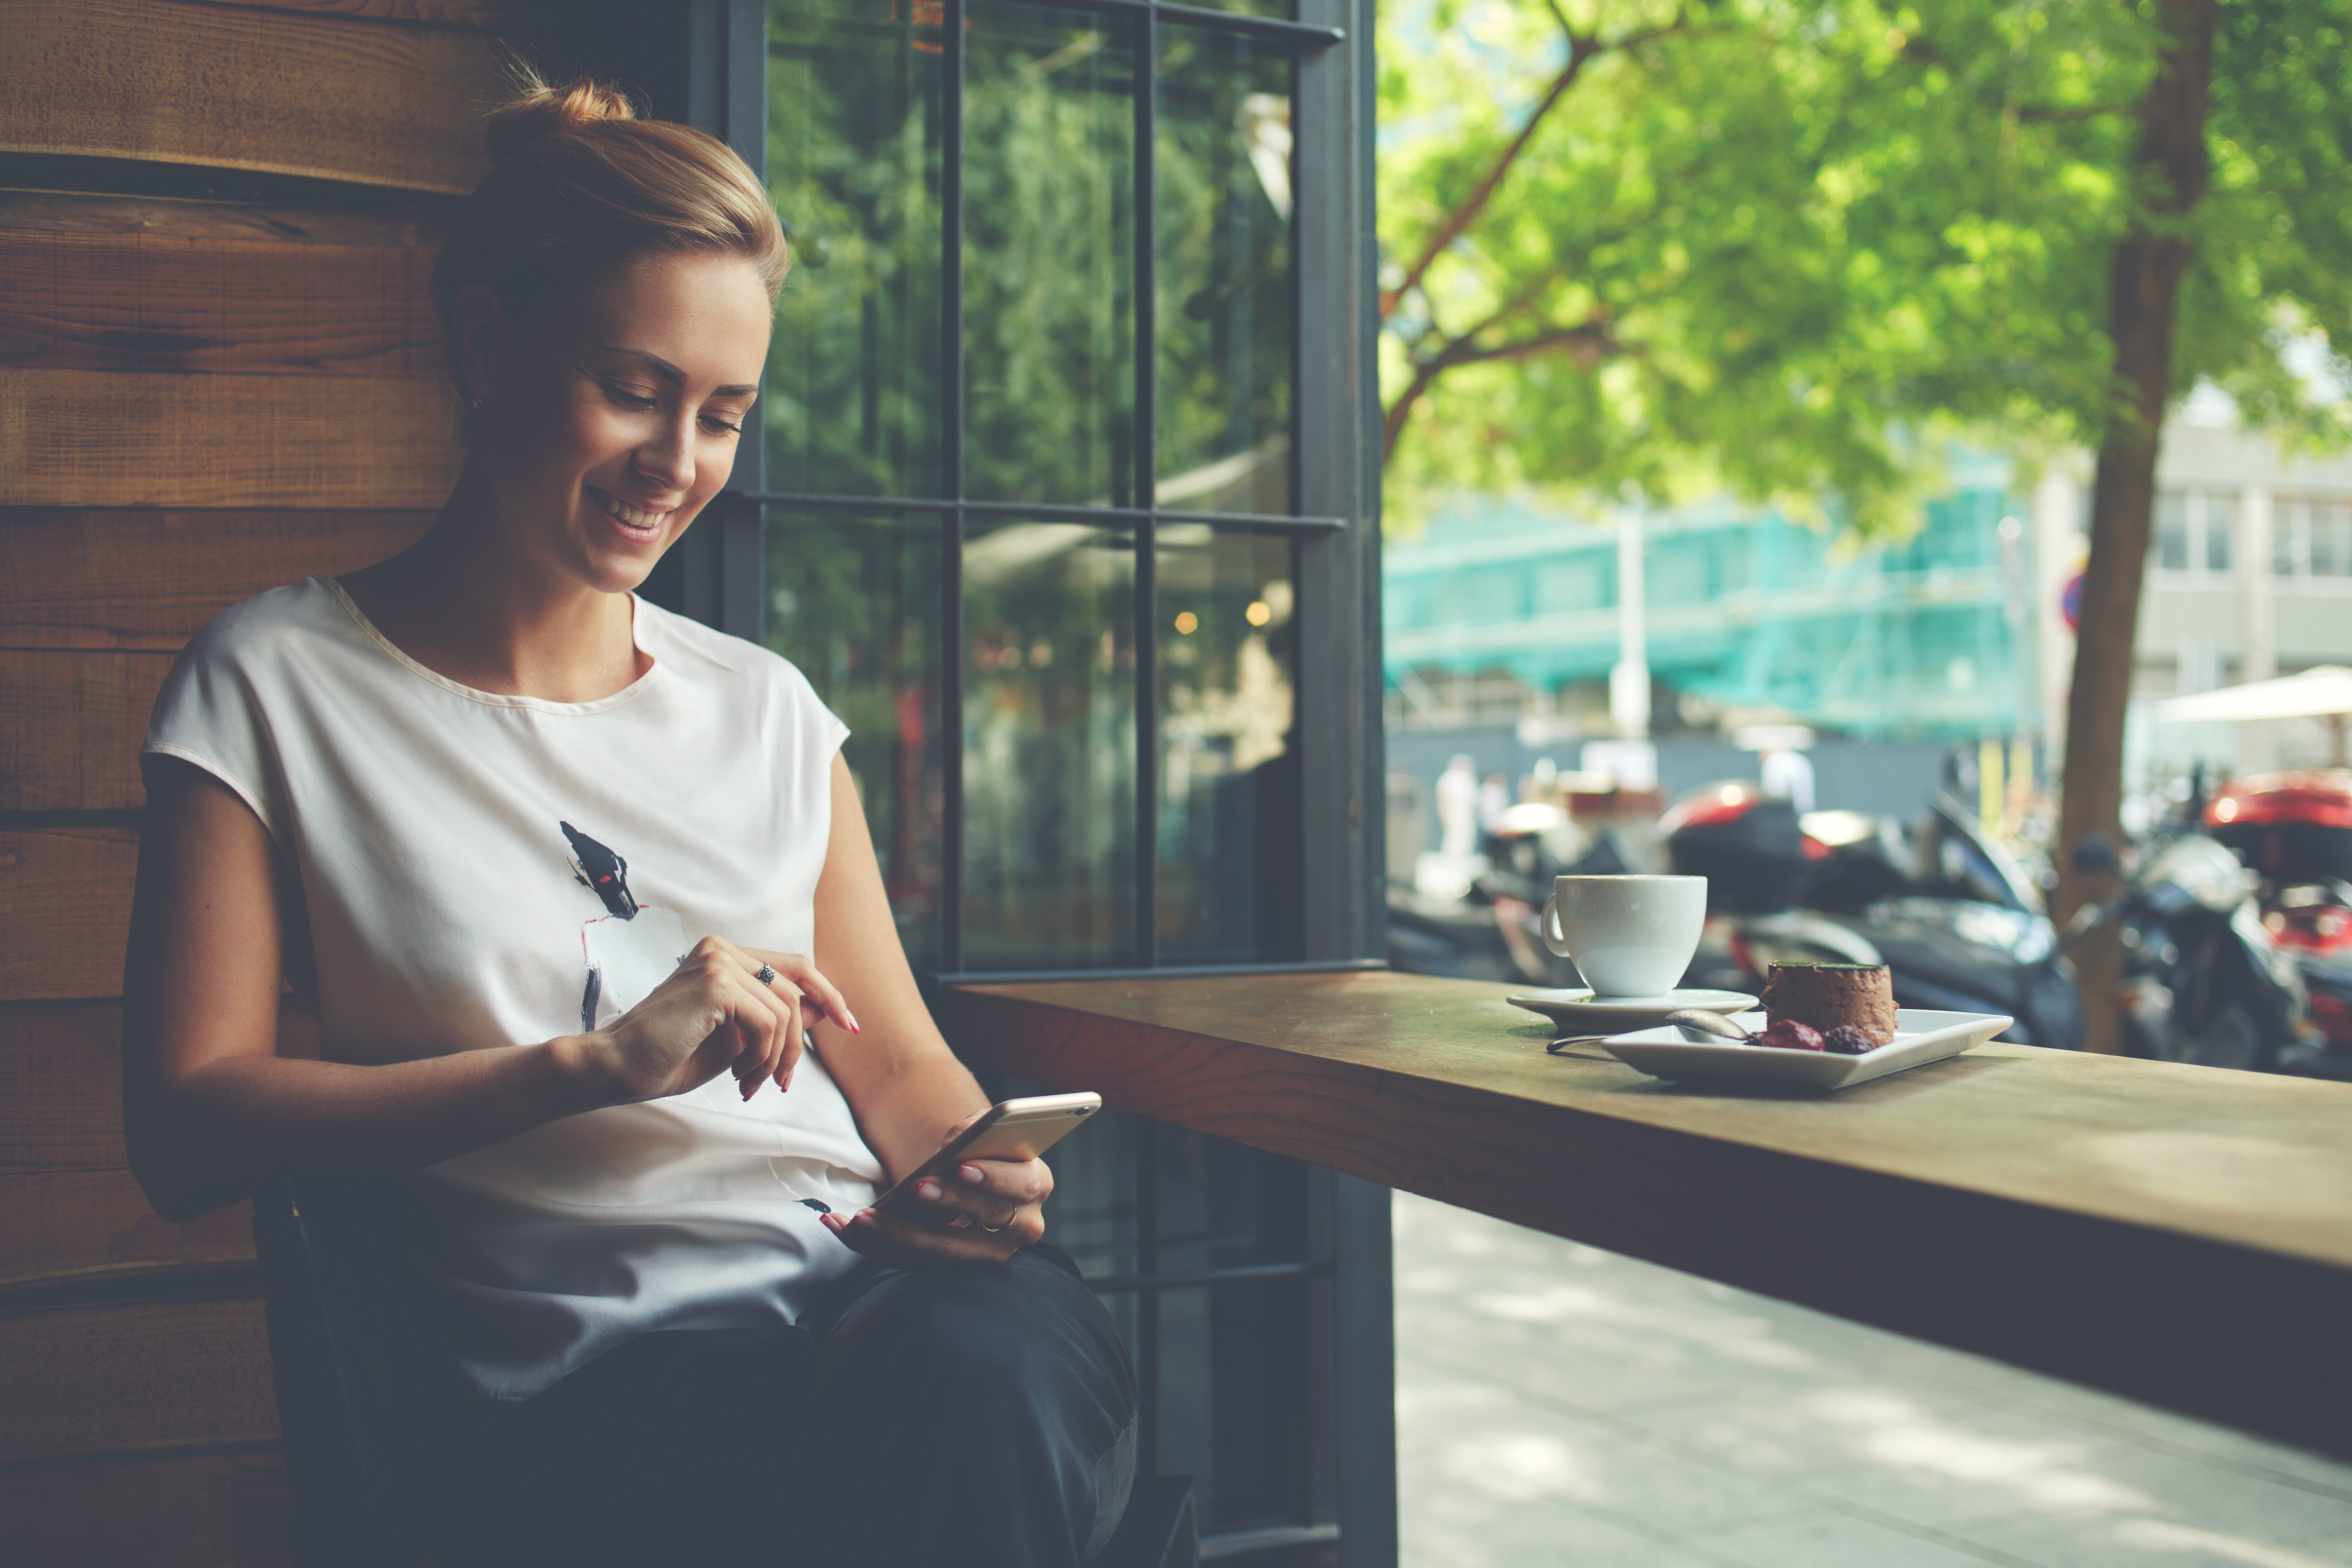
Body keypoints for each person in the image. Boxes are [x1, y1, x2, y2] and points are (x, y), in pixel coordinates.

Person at [119, 75, 1134, 1568]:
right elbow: (187, 1125)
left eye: (724, 414)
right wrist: (588, 1067)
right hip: (594, 1386)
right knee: (919, 1450)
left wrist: (966, 1180)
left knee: (978, 1376)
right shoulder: (275, 682)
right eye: (637, 389)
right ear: (485, 345)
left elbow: (897, 1058)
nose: (681, 462)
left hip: (896, 1313)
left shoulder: (769, 709)